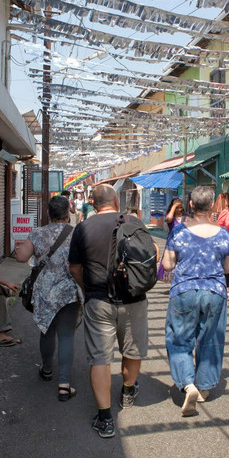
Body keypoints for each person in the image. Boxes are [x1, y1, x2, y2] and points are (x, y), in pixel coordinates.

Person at [68, 184, 159, 438]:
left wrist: (87, 288)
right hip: (134, 299)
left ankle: (105, 418)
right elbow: (153, 254)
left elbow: (74, 267)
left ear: (93, 204)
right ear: (116, 202)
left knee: (100, 357)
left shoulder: (83, 228)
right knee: (133, 349)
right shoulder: (135, 222)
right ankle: (128, 392)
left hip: (98, 301)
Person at [162, 186, 229, 417]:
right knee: (211, 338)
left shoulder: (179, 232)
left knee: (179, 338)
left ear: (191, 205)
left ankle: (187, 383)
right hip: (214, 291)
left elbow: (167, 265)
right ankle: (203, 387)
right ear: (213, 206)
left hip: (184, 291)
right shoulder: (223, 233)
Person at [15, 196, 82, 401]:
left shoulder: (37, 233)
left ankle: (46, 370)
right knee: (66, 336)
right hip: (69, 292)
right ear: (68, 213)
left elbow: (21, 257)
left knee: (46, 331)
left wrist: (20, 247)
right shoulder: (76, 234)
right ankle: (64, 384)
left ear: (48, 214)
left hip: (44, 292)